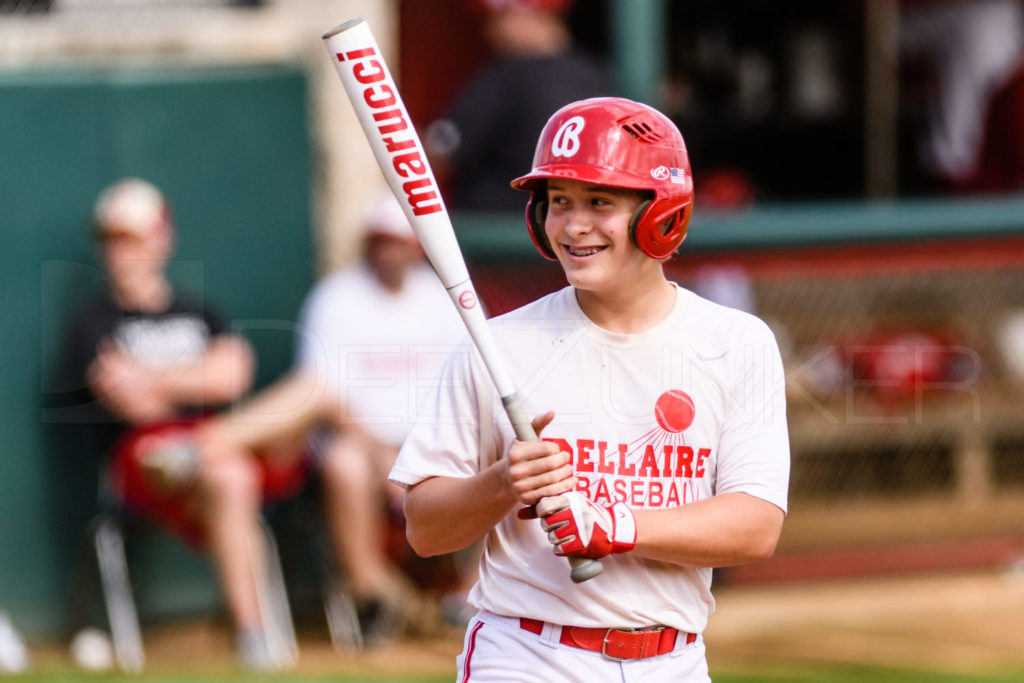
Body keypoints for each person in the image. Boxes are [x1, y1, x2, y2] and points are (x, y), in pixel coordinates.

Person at [390, 98, 790, 681]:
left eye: (599, 202)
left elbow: (755, 526)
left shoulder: (736, 342)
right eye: (559, 203)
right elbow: (424, 529)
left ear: (661, 212)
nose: (574, 226)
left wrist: (615, 527)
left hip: (674, 661)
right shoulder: (498, 344)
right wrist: (503, 483)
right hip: (527, 654)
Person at [59, 178, 295, 671]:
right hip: (144, 460)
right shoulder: (93, 320)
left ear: (161, 238)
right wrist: (196, 377)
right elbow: (134, 406)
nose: (118, 252)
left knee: (295, 414)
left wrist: (148, 374)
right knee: (232, 470)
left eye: (130, 238)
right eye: (109, 239)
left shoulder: (198, 309)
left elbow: (234, 377)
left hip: (215, 457)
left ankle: (252, 636)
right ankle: (253, 636)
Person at [294, 189, 474, 636]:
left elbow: (471, 385)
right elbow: (325, 396)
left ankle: (467, 600)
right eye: (380, 240)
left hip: (432, 442)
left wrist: (421, 457)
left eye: (398, 240)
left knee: (499, 457)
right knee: (344, 465)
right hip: (361, 442)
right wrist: (386, 459)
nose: (389, 251)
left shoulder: (441, 298)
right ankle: (372, 597)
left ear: (416, 245)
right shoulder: (336, 297)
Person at [424, 0, 610, 211]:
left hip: (496, 226)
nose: (490, 30)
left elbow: (438, 154)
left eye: (500, 18)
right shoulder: (597, 74)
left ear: (530, 16)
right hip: (566, 221)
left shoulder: (508, 75)